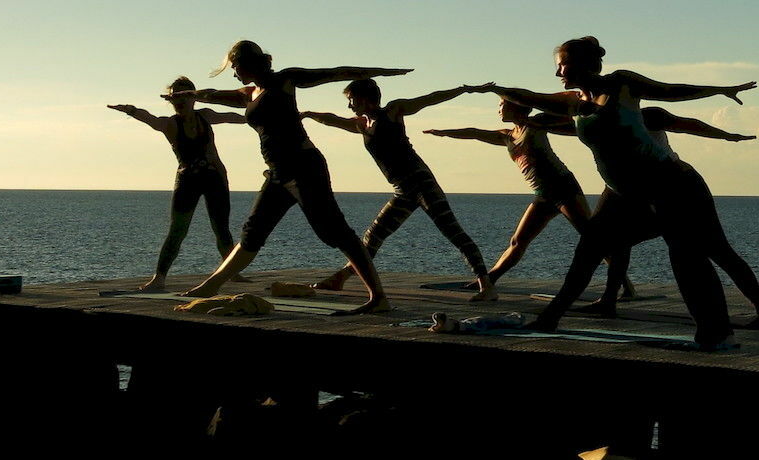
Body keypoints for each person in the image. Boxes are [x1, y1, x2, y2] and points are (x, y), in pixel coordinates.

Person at [480, 37, 756, 350]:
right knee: (588, 250)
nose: (558, 72)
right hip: (621, 192)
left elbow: (671, 91)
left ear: (587, 65)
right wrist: (494, 89)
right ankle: (550, 318)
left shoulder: (622, 84)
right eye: (557, 66)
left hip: (672, 184)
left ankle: (717, 334)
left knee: (687, 256)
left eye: (564, 65)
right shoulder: (575, 102)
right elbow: (532, 97)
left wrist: (719, 90)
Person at [177, 40, 409, 316]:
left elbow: (334, 72)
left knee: (334, 231)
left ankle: (378, 297)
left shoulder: (284, 80)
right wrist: (189, 94)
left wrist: (378, 72)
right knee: (253, 232)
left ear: (249, 63)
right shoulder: (249, 94)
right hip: (277, 173)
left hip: (304, 167)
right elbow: (213, 94)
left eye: (235, 66)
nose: (234, 72)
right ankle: (211, 286)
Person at [539, 107, 759, 325]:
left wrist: (728, 135)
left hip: (672, 187)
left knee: (717, 249)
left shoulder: (646, 116)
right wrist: (529, 120)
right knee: (603, 242)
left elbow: (687, 124)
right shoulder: (594, 120)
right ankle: (604, 302)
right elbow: (564, 124)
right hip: (622, 189)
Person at [422, 96, 632, 302]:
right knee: (518, 241)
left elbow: (566, 118)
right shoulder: (507, 136)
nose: (499, 109)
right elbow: (475, 133)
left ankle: (626, 286)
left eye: (502, 104)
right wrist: (444, 133)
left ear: (516, 107)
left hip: (564, 189)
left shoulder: (536, 124)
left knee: (592, 239)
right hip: (542, 195)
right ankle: (490, 280)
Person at [301, 79, 486, 290]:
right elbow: (332, 120)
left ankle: (486, 286)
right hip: (403, 191)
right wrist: (308, 114)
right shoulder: (362, 125)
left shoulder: (392, 111)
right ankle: (340, 279)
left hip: (422, 183)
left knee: (453, 232)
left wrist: (463, 90)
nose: (349, 106)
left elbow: (429, 99)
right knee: (372, 237)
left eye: (351, 100)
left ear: (364, 99)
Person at [107, 77, 249, 292]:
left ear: (193, 97)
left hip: (214, 179)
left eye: (184, 96)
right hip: (187, 180)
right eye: (175, 97)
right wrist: (130, 110)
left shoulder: (205, 116)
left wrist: (261, 115)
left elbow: (232, 117)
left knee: (221, 229)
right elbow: (150, 119)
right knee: (177, 231)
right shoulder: (170, 124)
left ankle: (233, 273)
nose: (179, 101)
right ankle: (159, 279)